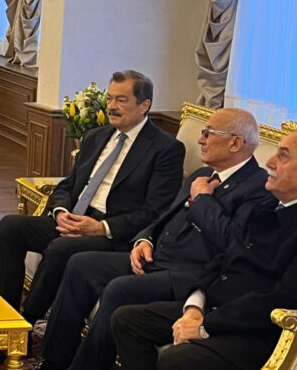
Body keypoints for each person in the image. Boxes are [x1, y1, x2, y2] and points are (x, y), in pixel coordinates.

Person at [35, 108, 273, 370]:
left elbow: (232, 240)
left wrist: (203, 199)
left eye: (208, 133)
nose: (200, 140)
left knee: (119, 289)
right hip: (156, 259)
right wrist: (144, 240)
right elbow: (163, 217)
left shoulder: (258, 187)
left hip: (190, 273)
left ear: (235, 143)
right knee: (80, 264)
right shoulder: (201, 175)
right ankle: (54, 361)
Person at [0, 70, 185, 325]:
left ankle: (25, 321)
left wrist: (101, 227)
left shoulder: (165, 148)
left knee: (60, 248)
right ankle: (4, 315)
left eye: (121, 100)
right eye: (110, 99)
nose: (112, 106)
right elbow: (68, 184)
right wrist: (61, 212)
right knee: (10, 227)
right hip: (75, 217)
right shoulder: (96, 136)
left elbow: (155, 211)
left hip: (112, 234)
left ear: (144, 105)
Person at [112, 130, 297, 370]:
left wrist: (205, 325)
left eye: (283, 156)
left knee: (176, 361)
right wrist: (194, 307)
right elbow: (222, 259)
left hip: (253, 331)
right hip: (215, 309)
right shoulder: (267, 205)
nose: (269, 162)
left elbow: (279, 301)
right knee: (127, 321)